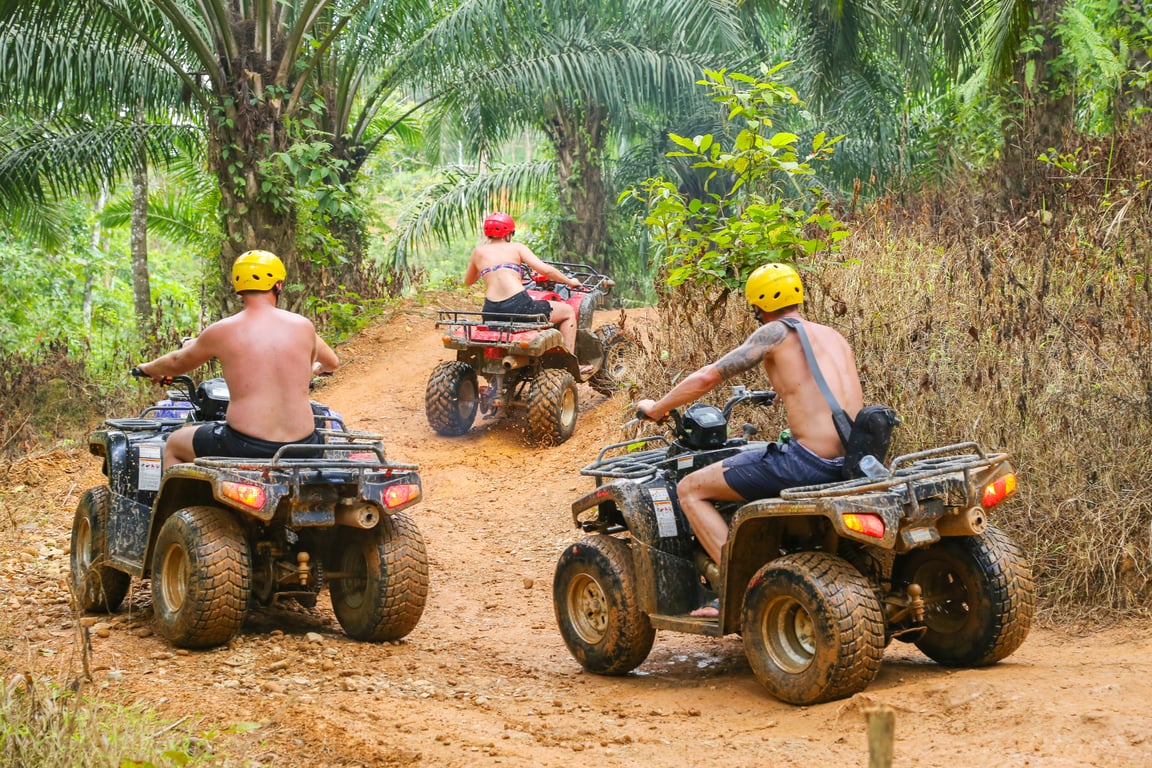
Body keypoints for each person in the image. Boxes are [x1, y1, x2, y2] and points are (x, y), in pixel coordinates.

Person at [636, 263, 863, 617]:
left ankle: (741, 587)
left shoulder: (774, 333)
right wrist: (783, 392)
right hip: (853, 460)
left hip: (809, 462)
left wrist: (658, 407)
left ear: (759, 303)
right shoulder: (833, 336)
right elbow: (823, 387)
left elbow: (708, 377)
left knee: (691, 490)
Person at [135, 250, 340, 470]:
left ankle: (173, 505)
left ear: (238, 285)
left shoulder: (222, 330)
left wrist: (147, 368)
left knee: (175, 442)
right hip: (304, 445)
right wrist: (313, 369)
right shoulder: (303, 326)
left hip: (244, 444)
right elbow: (331, 363)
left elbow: (177, 362)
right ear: (278, 284)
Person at [464, 212, 582, 354]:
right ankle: (569, 360)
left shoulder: (478, 252)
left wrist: (486, 269)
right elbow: (546, 271)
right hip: (518, 306)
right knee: (568, 311)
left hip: (490, 311)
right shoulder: (516, 248)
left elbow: (468, 281)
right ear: (509, 233)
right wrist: (570, 282)